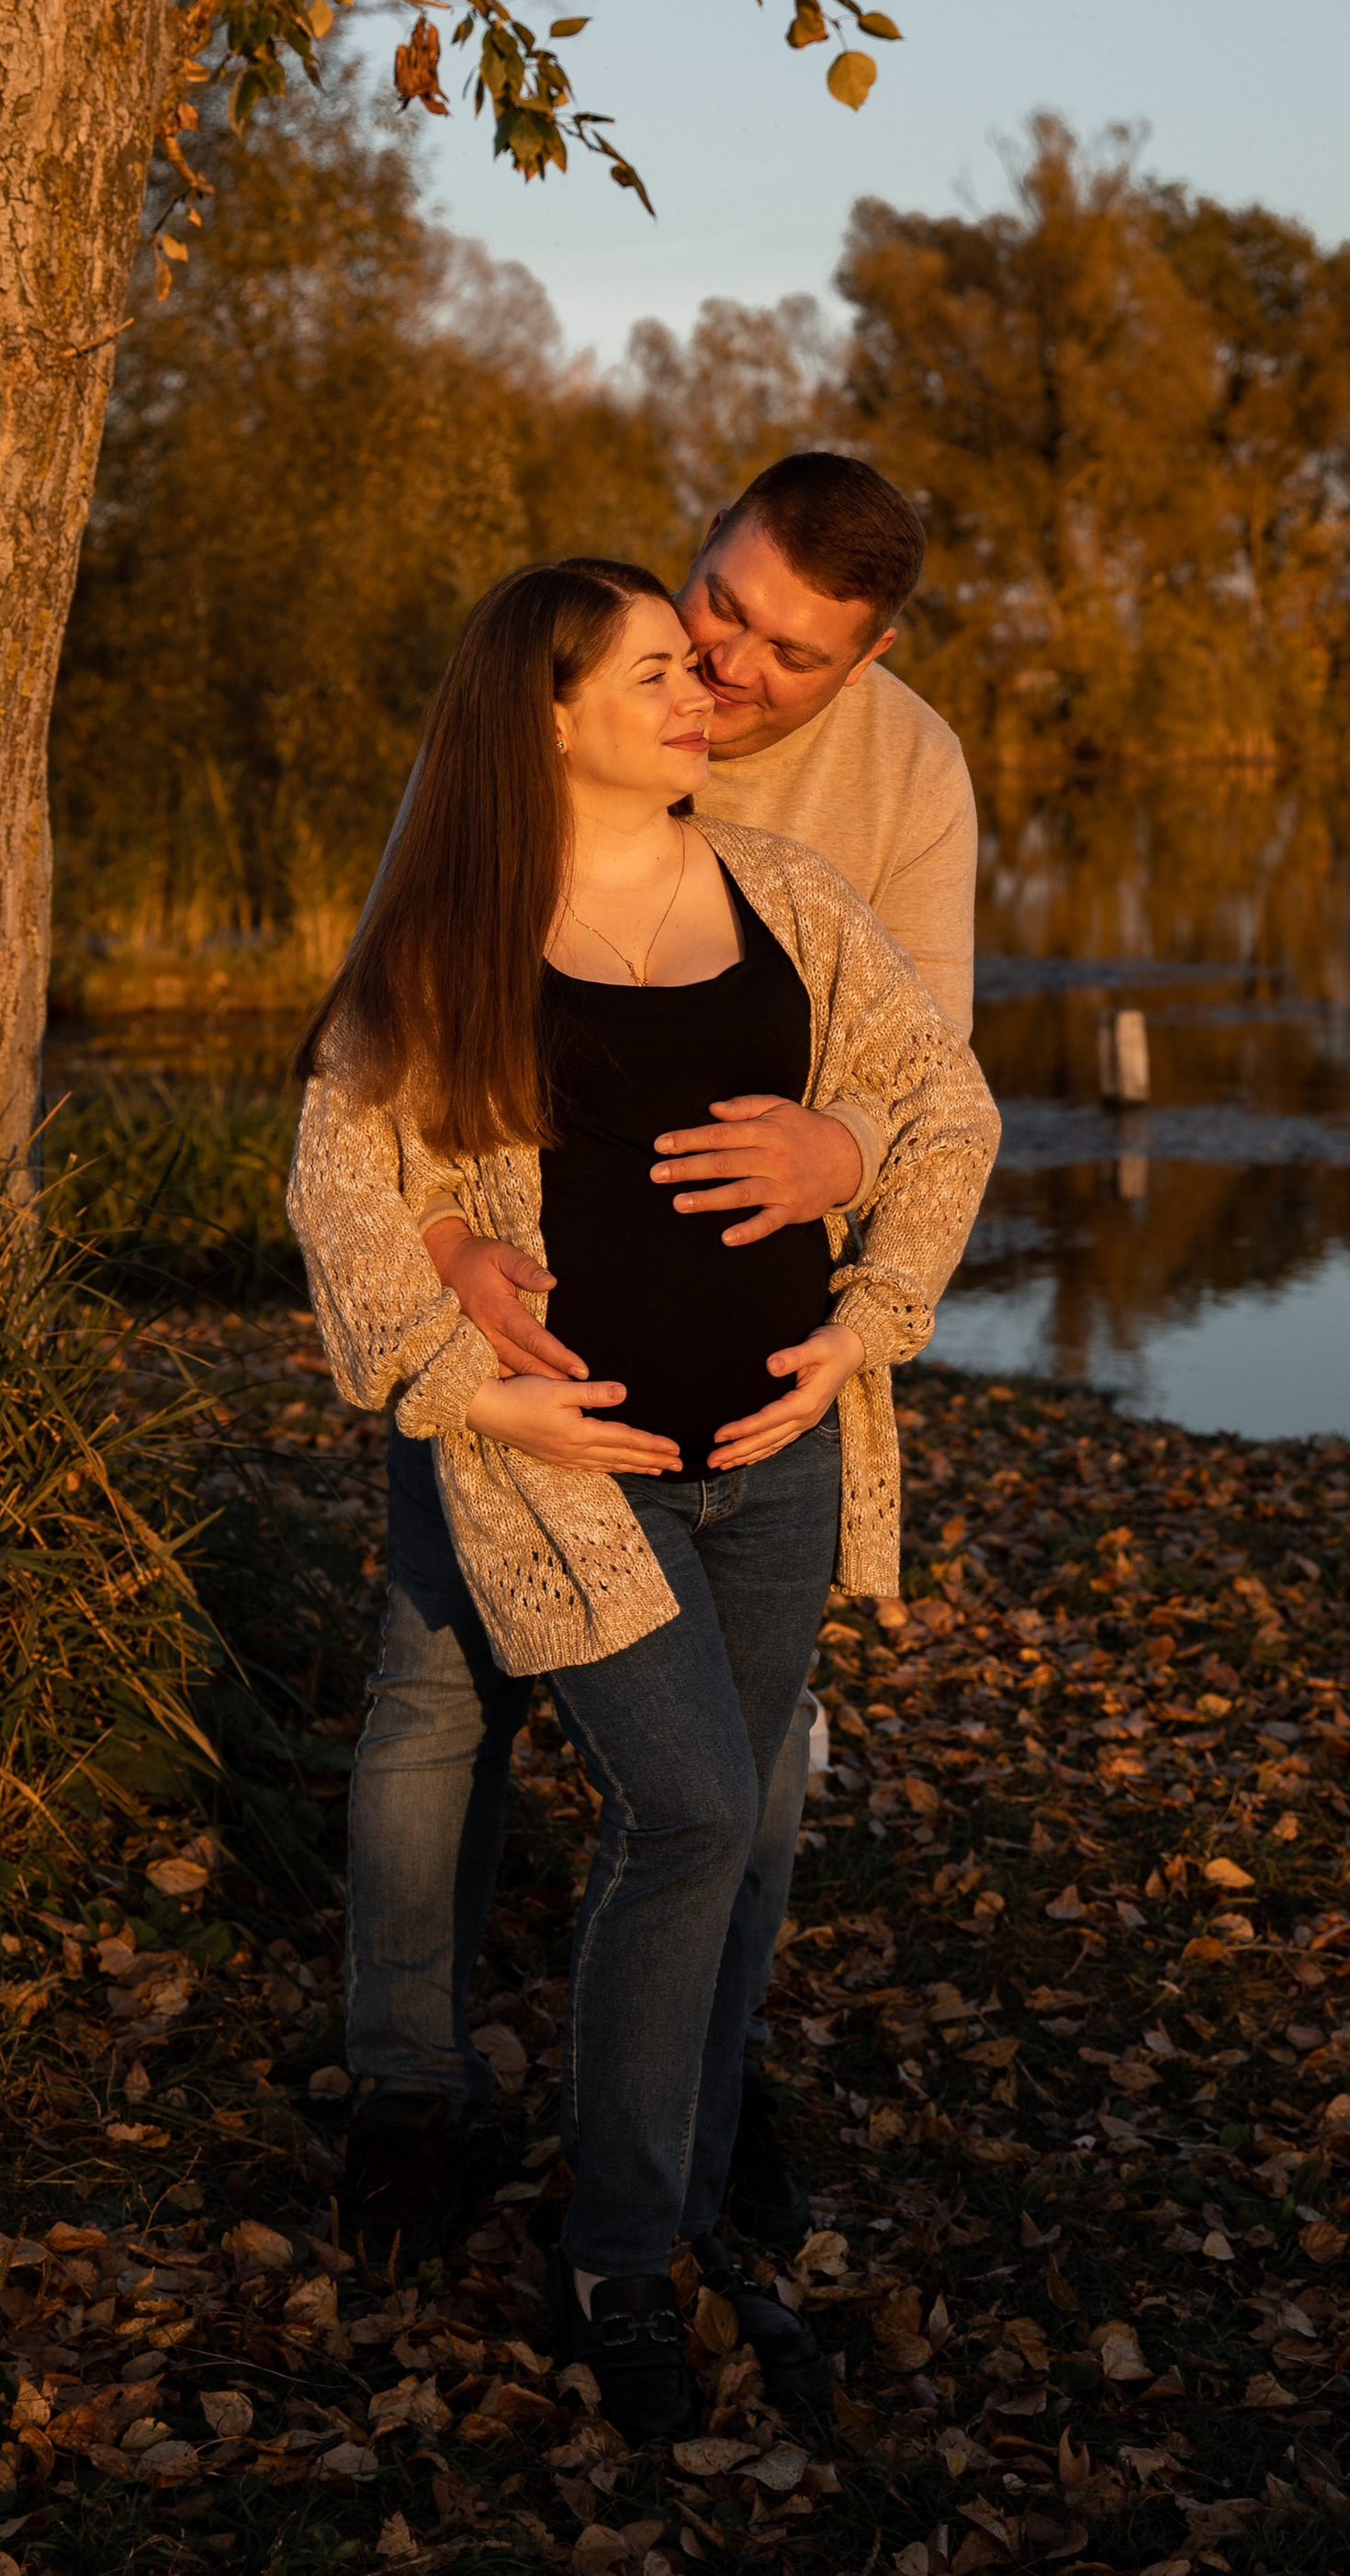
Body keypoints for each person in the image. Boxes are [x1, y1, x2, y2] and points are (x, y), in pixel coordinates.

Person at [288, 558, 996, 2438]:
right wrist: (469, 1384)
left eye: (697, 670)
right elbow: (343, 1187)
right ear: (544, 717)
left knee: (737, 1841)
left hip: (773, 1465)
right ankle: (608, 2255)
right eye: (661, 674)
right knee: (685, 1814)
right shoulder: (454, 935)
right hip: (572, 1484)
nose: (703, 699)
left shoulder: (784, 896)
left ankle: (680, 2210)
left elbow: (946, 1107)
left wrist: (865, 1323)